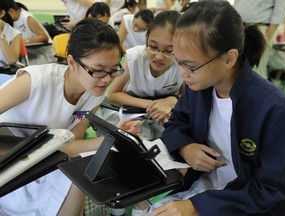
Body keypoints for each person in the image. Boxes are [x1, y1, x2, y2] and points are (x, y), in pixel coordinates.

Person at [149, 1, 285, 215]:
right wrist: (186, 147)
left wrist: (197, 207)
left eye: (191, 66)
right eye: (178, 61)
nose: (182, 74)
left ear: (229, 58)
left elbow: (271, 188)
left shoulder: (274, 109)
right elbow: (176, 123)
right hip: (204, 187)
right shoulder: (199, 87)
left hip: (243, 203)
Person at [0, 18, 140, 216]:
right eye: (98, 70)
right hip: (8, 160)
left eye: (113, 70)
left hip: (42, 159)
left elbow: (69, 145)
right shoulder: (36, 82)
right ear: (72, 62)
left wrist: (112, 138)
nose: (107, 79)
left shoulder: (92, 94)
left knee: (80, 176)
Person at [108, 10, 183, 141]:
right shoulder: (135, 58)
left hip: (164, 115)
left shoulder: (182, 63)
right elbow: (113, 94)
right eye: (153, 47)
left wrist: (170, 101)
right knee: (135, 141)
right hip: (133, 113)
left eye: (169, 51)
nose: (159, 56)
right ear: (146, 41)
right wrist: (151, 104)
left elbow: (187, 95)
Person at [233, 0, 285, 79]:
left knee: (256, 70)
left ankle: (257, 91)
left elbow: (279, 13)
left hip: (260, 29)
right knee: (235, 68)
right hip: (238, 25)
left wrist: (266, 38)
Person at [8, 0, 56, 65]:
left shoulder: (27, 18)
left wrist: (26, 41)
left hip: (44, 54)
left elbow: (44, 37)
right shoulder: (12, 21)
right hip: (30, 54)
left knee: (18, 66)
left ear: (11, 11)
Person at [0, 0, 21, 68]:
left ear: (2, 13)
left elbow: (12, 60)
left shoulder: (15, 34)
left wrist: (1, 36)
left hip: (7, 73)